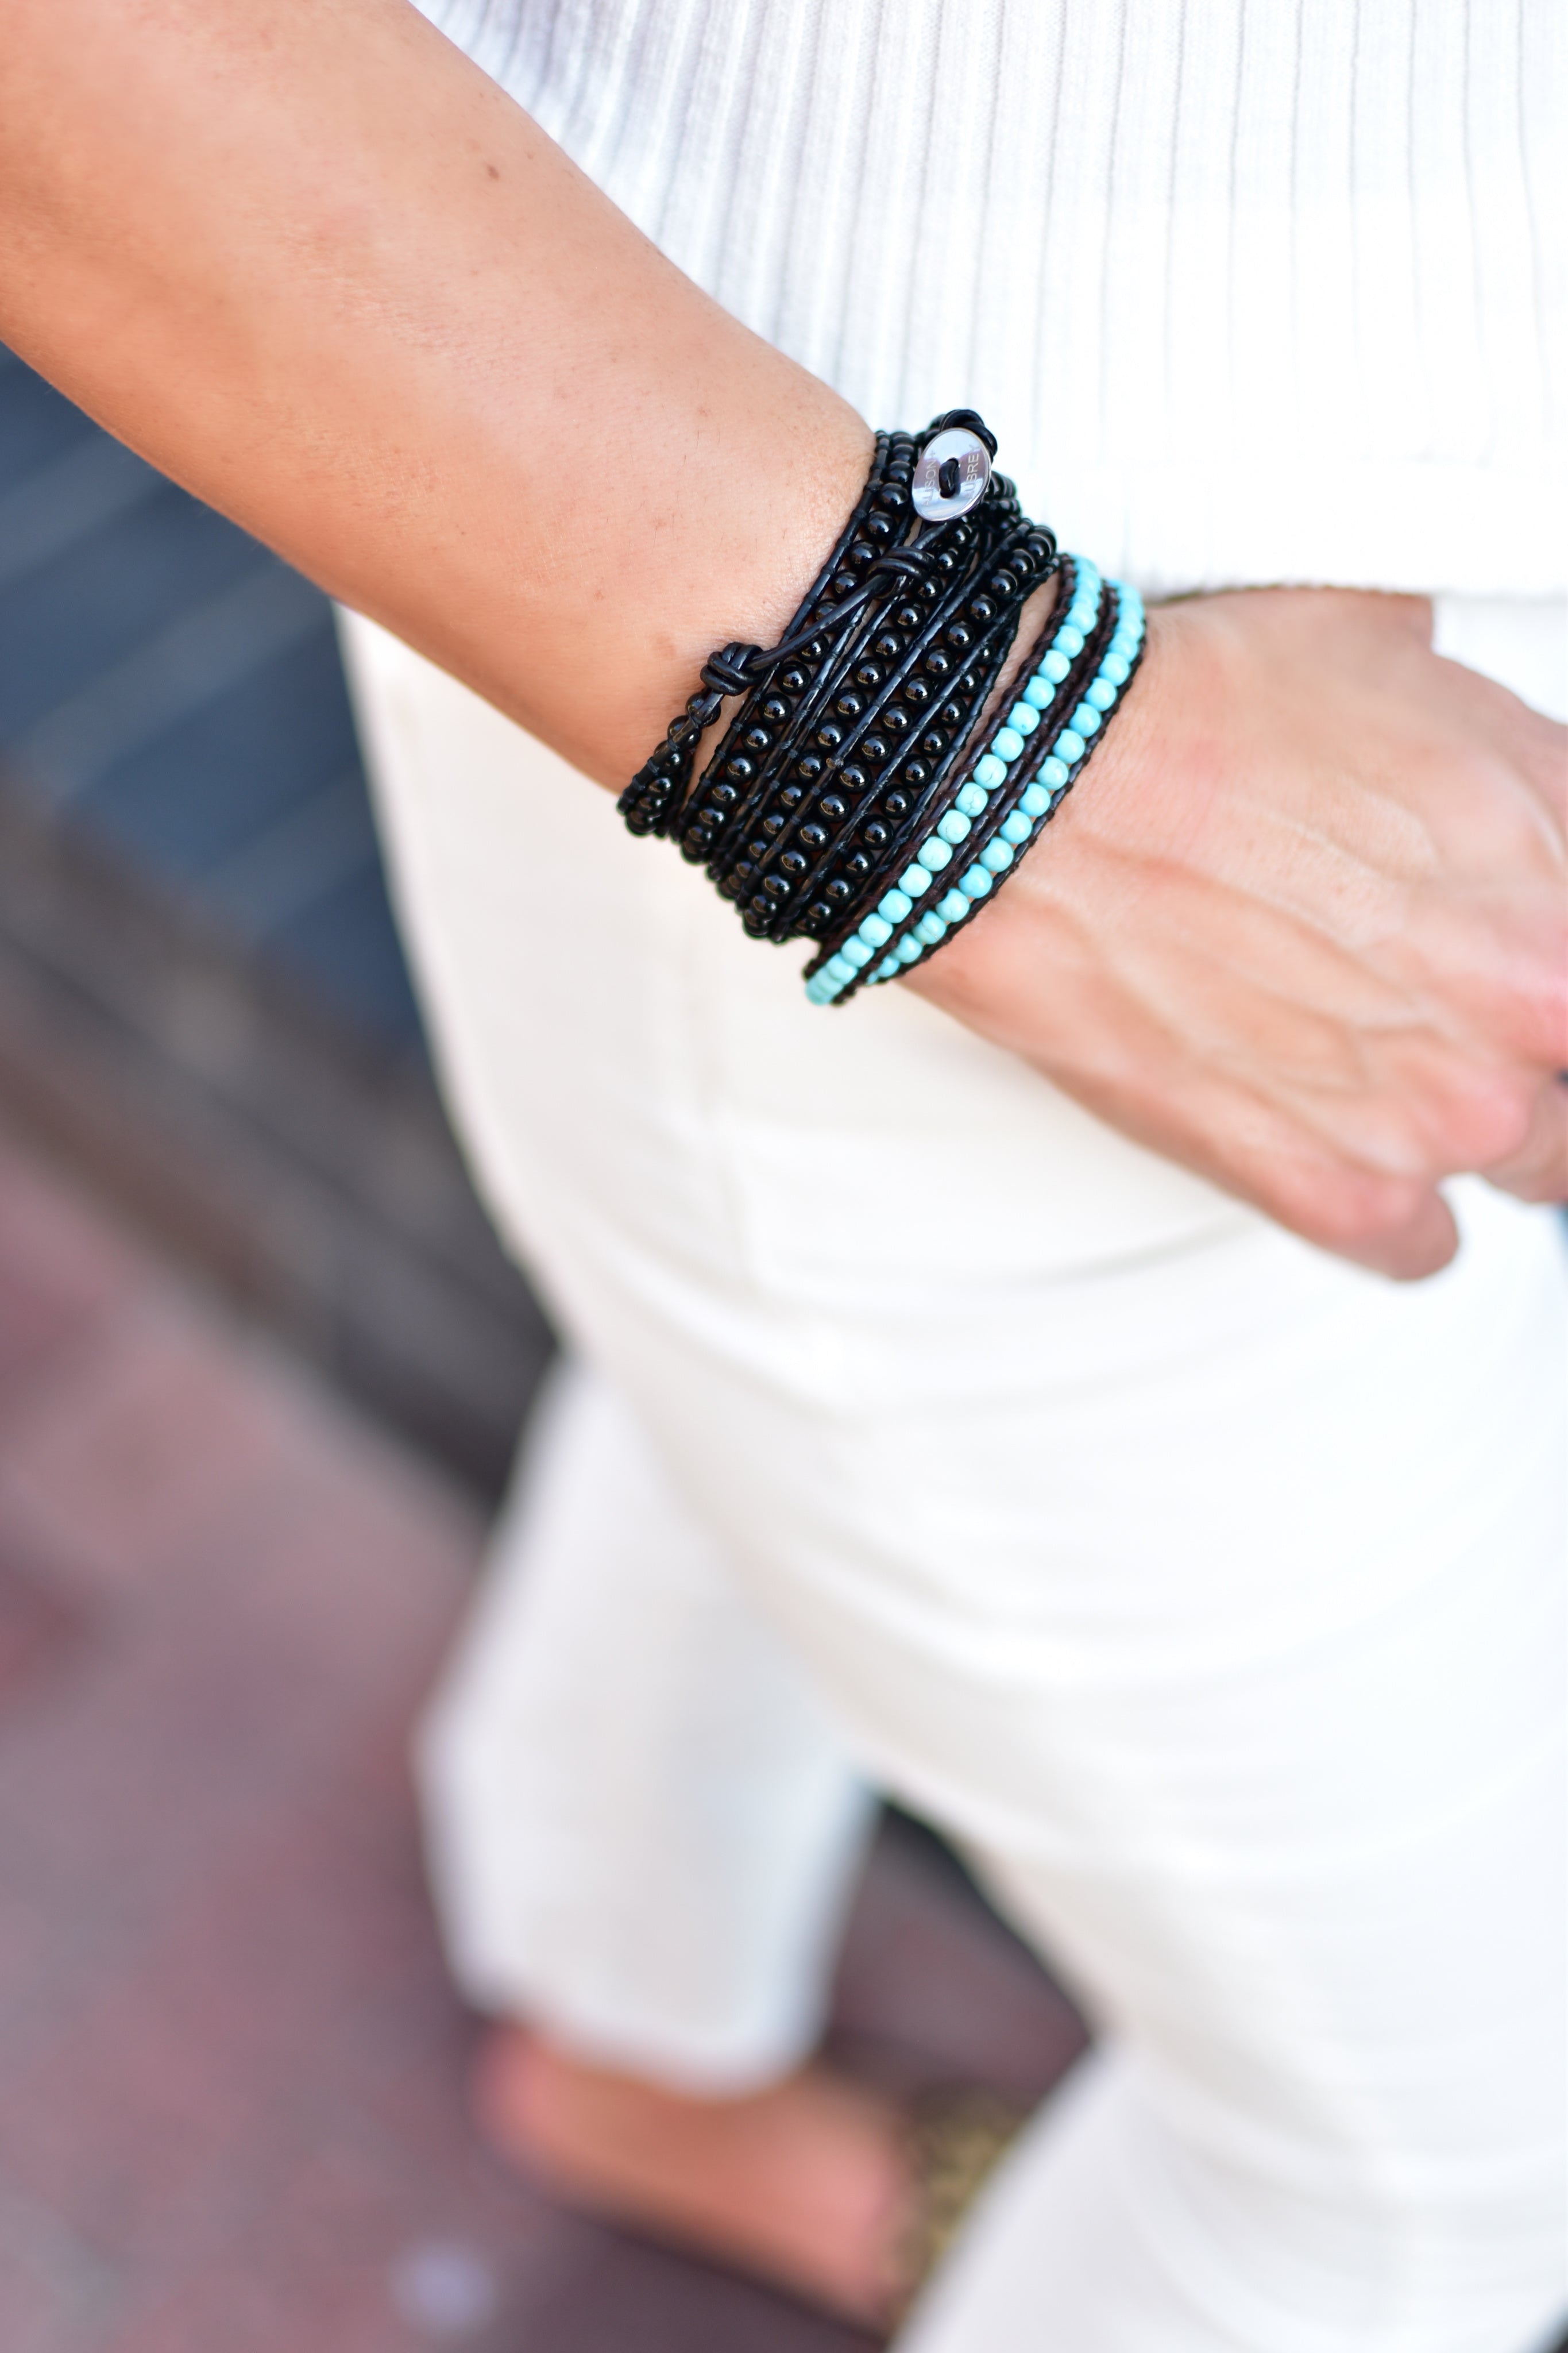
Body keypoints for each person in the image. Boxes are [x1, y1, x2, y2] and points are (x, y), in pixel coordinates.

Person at [4, 3, 1563, 2345]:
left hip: (1276, 508)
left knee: (754, 1429)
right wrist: (982, 770)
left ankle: (627, 2022)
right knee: (1426, 2174)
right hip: (974, 605)